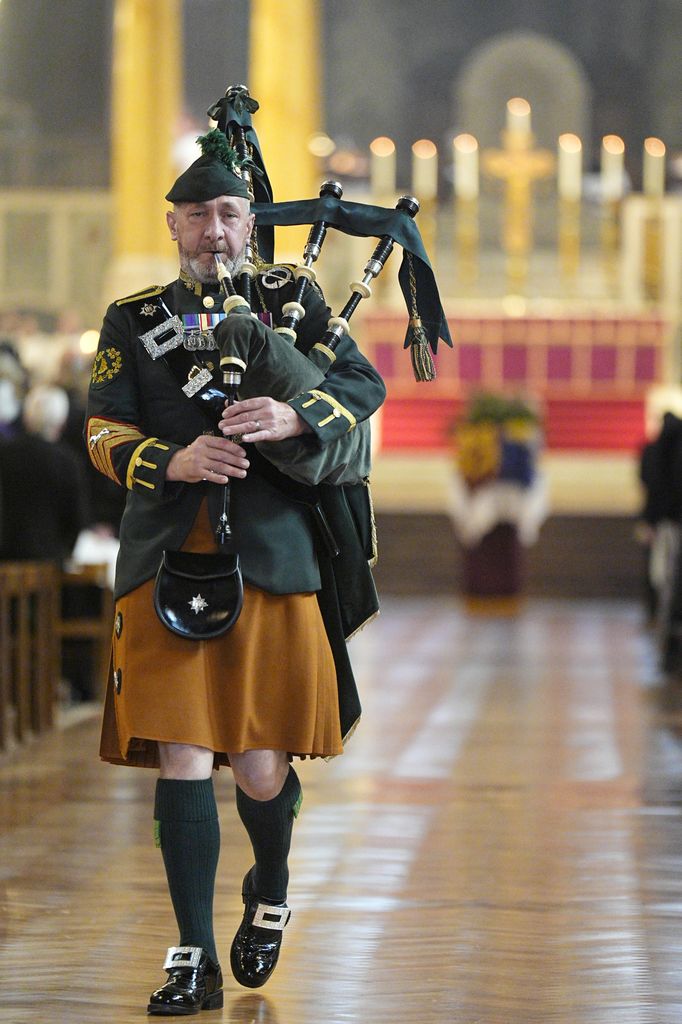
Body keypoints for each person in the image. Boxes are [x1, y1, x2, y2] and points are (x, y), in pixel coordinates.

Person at [85, 128, 385, 1014]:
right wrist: (170, 463)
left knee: (258, 767)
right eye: (196, 217)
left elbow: (361, 389)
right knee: (182, 753)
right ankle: (191, 954)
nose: (213, 230)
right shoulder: (133, 320)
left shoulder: (292, 296)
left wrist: (292, 414)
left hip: (274, 560)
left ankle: (273, 885)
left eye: (228, 213)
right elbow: (102, 430)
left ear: (250, 222)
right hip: (168, 556)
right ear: (173, 226)